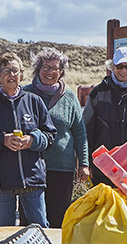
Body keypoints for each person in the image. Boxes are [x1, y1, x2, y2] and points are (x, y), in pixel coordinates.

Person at [0, 52, 54, 227]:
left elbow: (50, 135)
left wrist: (32, 140)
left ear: (21, 75)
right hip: (2, 182)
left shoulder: (35, 101)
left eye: (15, 70)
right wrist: (2, 140)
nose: (12, 75)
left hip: (33, 179)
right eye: (6, 71)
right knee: (4, 234)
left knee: (40, 230)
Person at [26, 47, 88, 228]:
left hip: (62, 168)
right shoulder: (25, 93)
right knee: (30, 220)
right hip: (31, 167)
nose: (50, 72)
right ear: (38, 69)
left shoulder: (69, 97)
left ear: (61, 72)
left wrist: (84, 164)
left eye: (55, 68)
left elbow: (79, 132)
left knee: (58, 219)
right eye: (45, 67)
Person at [83, 46, 127, 186]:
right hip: (102, 168)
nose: (124, 71)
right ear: (112, 66)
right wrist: (87, 163)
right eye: (119, 66)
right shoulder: (98, 94)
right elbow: (86, 130)